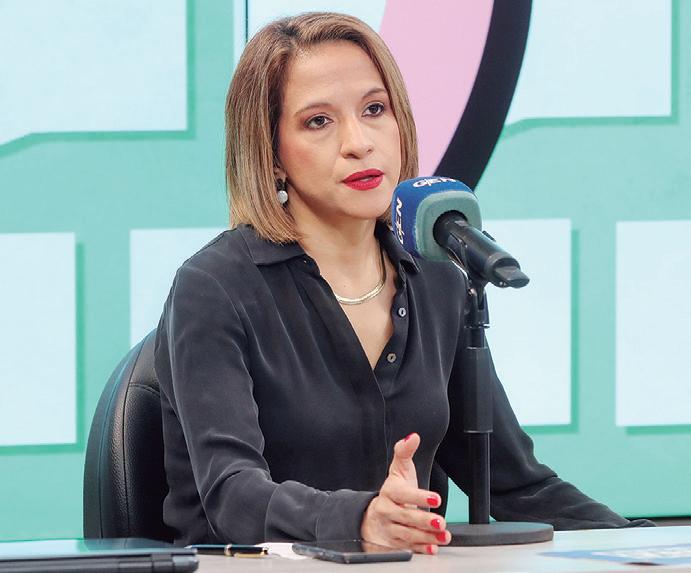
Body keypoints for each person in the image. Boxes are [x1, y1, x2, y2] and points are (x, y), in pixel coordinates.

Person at [153, 12, 650, 553]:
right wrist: (360, 519)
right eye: (318, 122)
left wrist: (652, 547)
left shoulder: (438, 281)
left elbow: (520, 487)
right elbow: (231, 495)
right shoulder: (215, 288)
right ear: (270, 154)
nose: (359, 142)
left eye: (375, 109)